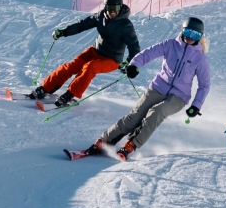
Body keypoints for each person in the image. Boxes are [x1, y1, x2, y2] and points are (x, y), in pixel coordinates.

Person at [81, 16, 212, 159]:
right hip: (158, 88)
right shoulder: (170, 45)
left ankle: (131, 145)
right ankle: (104, 141)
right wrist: (134, 65)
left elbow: (204, 85)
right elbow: (148, 54)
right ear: (182, 30)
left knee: (156, 112)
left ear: (200, 37)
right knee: (133, 118)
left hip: (179, 97)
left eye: (195, 35)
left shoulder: (200, 59)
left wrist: (196, 105)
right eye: (187, 32)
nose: (190, 38)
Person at [36, 0, 140, 108]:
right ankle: (45, 88)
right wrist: (64, 32)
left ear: (120, 7)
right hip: (95, 51)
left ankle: (70, 95)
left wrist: (129, 62)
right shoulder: (101, 16)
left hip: (112, 59)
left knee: (90, 67)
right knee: (72, 66)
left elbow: (134, 46)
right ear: (105, 7)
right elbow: (82, 25)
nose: (112, 11)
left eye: (116, 8)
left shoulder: (126, 25)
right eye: (110, 8)